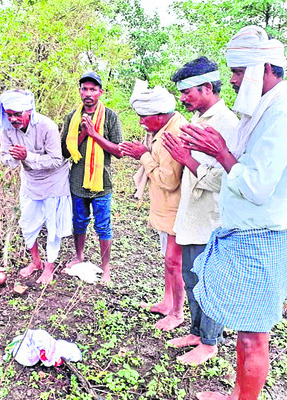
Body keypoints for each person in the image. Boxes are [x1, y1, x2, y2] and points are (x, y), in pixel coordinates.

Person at [179, 26, 287, 399]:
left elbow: (255, 186)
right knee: (245, 331)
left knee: (253, 337)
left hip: (261, 239)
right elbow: (240, 164)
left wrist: (220, 150)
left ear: (263, 68)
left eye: (238, 71)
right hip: (246, 235)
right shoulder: (263, 109)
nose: (232, 80)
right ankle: (239, 393)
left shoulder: (283, 113)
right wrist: (211, 150)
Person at [162, 57, 239, 364]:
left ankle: (210, 342)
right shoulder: (197, 122)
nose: (182, 99)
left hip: (212, 219)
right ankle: (196, 331)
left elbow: (226, 176)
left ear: (208, 88)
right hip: (191, 215)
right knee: (192, 276)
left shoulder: (228, 124)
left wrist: (186, 158)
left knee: (210, 281)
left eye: (187, 92)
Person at [119, 80, 187, 331]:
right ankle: (167, 301)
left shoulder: (173, 135)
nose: (140, 123)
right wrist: (143, 150)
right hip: (165, 208)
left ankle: (177, 313)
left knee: (174, 262)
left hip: (175, 209)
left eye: (143, 118)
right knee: (168, 260)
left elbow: (168, 181)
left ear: (159, 115)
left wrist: (142, 155)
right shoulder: (163, 127)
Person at [0, 89, 72, 285]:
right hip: (30, 181)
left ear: (29, 110)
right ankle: (36, 262)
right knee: (28, 224)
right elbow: (5, 157)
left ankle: (49, 268)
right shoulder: (7, 129)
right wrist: (14, 158)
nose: (13, 119)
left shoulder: (47, 126)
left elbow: (57, 160)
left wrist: (28, 156)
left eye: (17, 114)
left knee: (52, 226)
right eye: (9, 114)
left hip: (54, 181)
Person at [61, 72, 123, 283]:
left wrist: (95, 134)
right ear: (79, 91)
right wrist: (83, 134)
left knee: (103, 225)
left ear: (100, 92)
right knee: (79, 222)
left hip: (101, 182)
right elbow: (65, 152)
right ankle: (79, 256)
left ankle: (106, 268)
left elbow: (119, 151)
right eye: (84, 89)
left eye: (93, 89)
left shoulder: (111, 117)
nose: (88, 94)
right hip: (77, 180)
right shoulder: (72, 117)